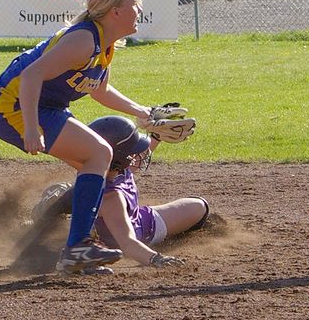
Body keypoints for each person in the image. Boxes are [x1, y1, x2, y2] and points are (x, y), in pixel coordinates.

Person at [0, 0, 157, 274]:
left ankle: (78, 251)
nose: (138, 10)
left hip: (47, 107)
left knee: (95, 163)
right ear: (115, 11)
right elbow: (30, 76)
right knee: (99, 153)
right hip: (11, 106)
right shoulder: (84, 39)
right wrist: (28, 128)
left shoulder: (103, 44)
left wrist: (143, 111)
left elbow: (100, 90)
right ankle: (78, 246)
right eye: (134, 4)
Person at [30, 115, 210, 274]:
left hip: (140, 216)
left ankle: (60, 211)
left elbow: (135, 161)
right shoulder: (111, 198)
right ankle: (57, 216)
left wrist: (156, 137)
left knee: (199, 205)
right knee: (198, 208)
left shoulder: (107, 168)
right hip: (143, 233)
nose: (135, 154)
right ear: (119, 158)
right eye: (131, 152)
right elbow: (128, 244)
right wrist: (156, 259)